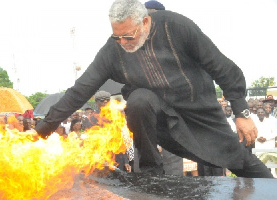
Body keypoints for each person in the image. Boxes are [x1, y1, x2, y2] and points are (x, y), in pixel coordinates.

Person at [35, 0, 273, 178]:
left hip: (199, 111)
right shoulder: (113, 50)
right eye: (117, 37)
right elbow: (79, 90)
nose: (123, 44)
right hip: (160, 117)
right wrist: (43, 129)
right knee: (138, 100)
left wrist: (242, 113)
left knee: (240, 161)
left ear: (146, 21)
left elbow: (223, 68)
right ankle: (151, 174)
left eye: (128, 36)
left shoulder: (177, 27)